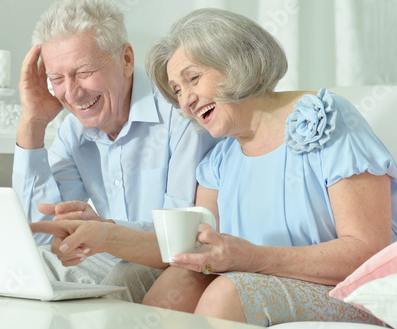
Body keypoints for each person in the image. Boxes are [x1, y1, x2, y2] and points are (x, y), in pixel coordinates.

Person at [137, 8, 397, 326]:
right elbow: (203, 254)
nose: (185, 101)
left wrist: (253, 257)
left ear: (236, 64)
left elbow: (367, 251)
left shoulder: (326, 118)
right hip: (258, 284)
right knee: (175, 282)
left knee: (227, 293)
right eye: (177, 90)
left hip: (352, 293)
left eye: (193, 79)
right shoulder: (217, 162)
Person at [12, 0, 219, 303]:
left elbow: (183, 234)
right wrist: (32, 123)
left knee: (121, 279)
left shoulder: (182, 114)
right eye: (57, 79)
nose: (71, 92)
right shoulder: (74, 131)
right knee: (24, 268)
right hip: (109, 256)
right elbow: (39, 235)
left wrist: (104, 232)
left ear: (126, 59)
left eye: (83, 72)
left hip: (174, 261)